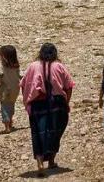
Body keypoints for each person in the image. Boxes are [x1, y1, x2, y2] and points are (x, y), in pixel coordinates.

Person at [20, 43, 75, 177]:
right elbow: (69, 86)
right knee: (56, 131)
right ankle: (51, 160)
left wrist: (28, 101)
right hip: (57, 103)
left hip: (37, 104)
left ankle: (40, 163)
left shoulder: (32, 66)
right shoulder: (59, 66)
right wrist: (66, 103)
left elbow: (24, 85)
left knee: (38, 133)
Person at [0, 45, 21, 133]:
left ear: (3, 56)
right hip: (15, 89)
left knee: (4, 107)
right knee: (11, 105)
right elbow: (20, 76)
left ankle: (7, 127)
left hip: (5, 90)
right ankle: (10, 122)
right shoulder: (16, 66)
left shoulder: (1, 67)